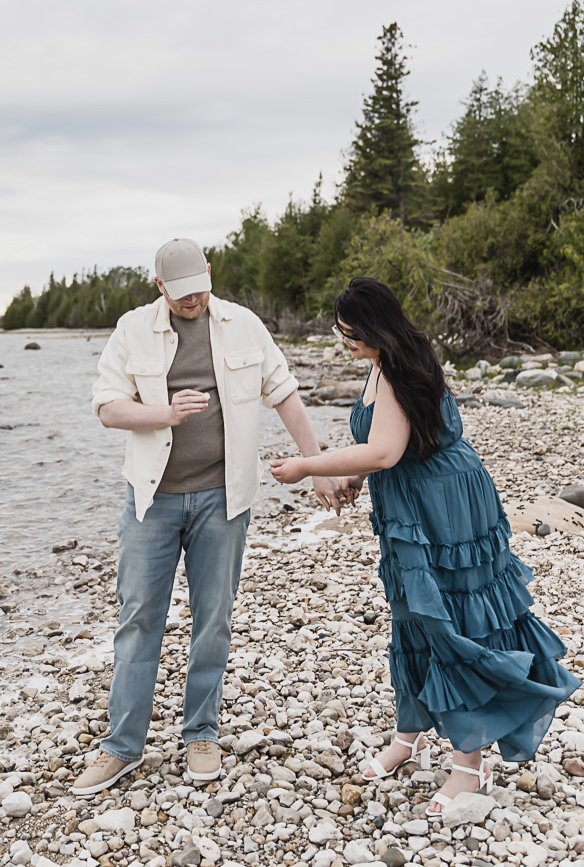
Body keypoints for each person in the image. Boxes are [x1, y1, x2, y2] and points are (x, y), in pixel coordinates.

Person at [270, 276, 579, 817]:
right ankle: (409, 735)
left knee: (449, 619)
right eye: (342, 333)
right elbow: (391, 446)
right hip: (413, 500)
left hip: (443, 504)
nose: (346, 342)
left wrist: (306, 466)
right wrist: (356, 478)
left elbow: (387, 451)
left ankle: (469, 763)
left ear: (376, 328)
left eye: (352, 333)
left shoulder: (395, 366)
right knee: (410, 615)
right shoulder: (385, 361)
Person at [74, 237, 342, 796]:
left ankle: (201, 731)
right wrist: (164, 413)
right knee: (139, 618)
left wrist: (317, 465)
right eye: (181, 295)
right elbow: (106, 406)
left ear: (209, 275)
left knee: (212, 618)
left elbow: (285, 393)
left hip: (224, 499)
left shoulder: (243, 325)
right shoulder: (131, 329)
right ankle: (122, 746)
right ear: (159, 289)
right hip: (152, 500)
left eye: (199, 290)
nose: (192, 300)